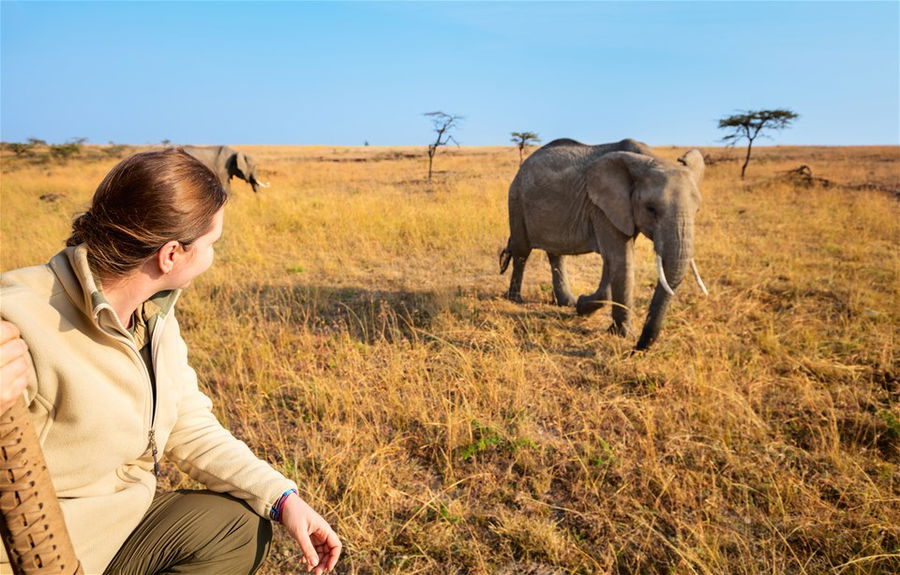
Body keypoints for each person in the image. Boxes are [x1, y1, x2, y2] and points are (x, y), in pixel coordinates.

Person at [0, 148, 341, 575]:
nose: (214, 257)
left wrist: (282, 497)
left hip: (120, 526)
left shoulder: (151, 312)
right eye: (211, 244)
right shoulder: (18, 320)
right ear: (171, 255)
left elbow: (186, 423)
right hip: (38, 553)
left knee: (236, 528)